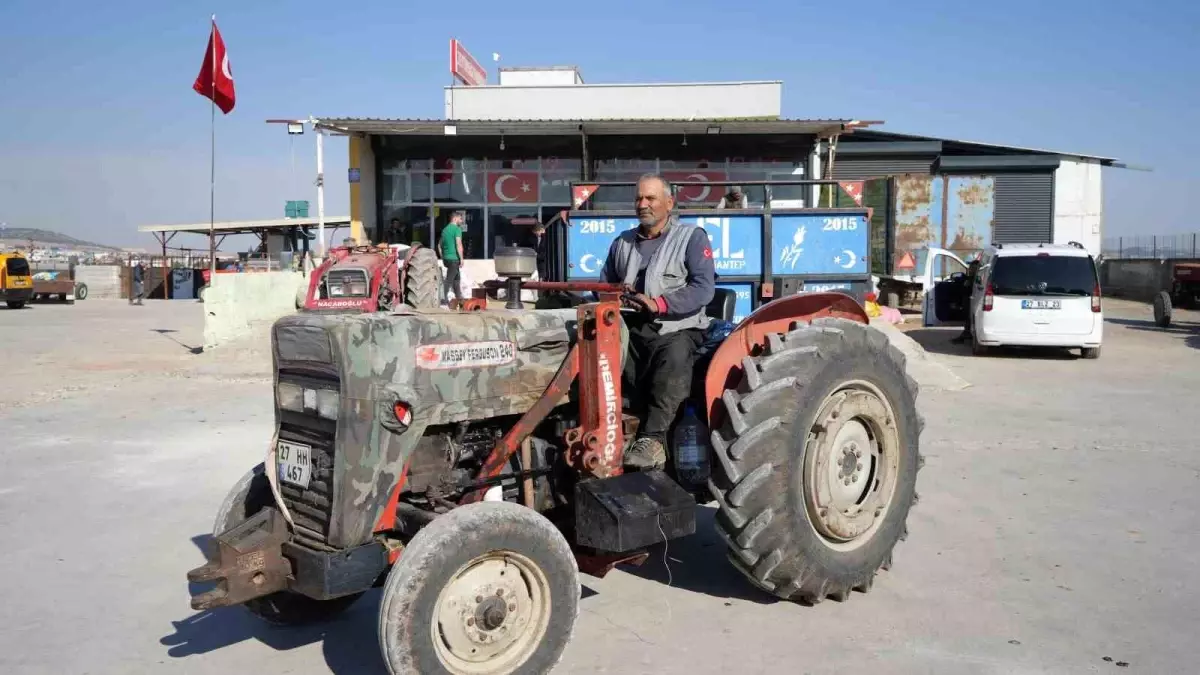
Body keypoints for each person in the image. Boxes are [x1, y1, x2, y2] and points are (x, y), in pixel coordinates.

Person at [600, 174, 716, 470]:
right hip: (633, 326)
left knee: (674, 354)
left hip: (678, 326)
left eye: (650, 198)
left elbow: (704, 288)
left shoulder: (691, 237)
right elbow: (605, 286)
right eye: (639, 199)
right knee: (599, 350)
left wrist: (659, 304)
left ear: (669, 202)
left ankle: (652, 440)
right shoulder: (622, 242)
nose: (643, 204)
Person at [438, 210, 466, 305]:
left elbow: (439, 245)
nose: (462, 221)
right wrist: (461, 258)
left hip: (447, 259)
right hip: (454, 259)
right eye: (460, 218)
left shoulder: (445, 230)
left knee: (457, 278)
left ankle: (459, 298)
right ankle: (442, 299)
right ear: (455, 218)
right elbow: (458, 244)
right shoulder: (457, 229)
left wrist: (443, 257)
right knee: (449, 280)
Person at [951, 258, 982, 344]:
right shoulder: (970, 279)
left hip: (975, 302)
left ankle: (967, 334)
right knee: (968, 318)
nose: (971, 270)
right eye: (971, 268)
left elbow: (969, 290)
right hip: (969, 301)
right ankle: (966, 333)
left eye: (973, 268)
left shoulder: (978, 279)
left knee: (970, 318)